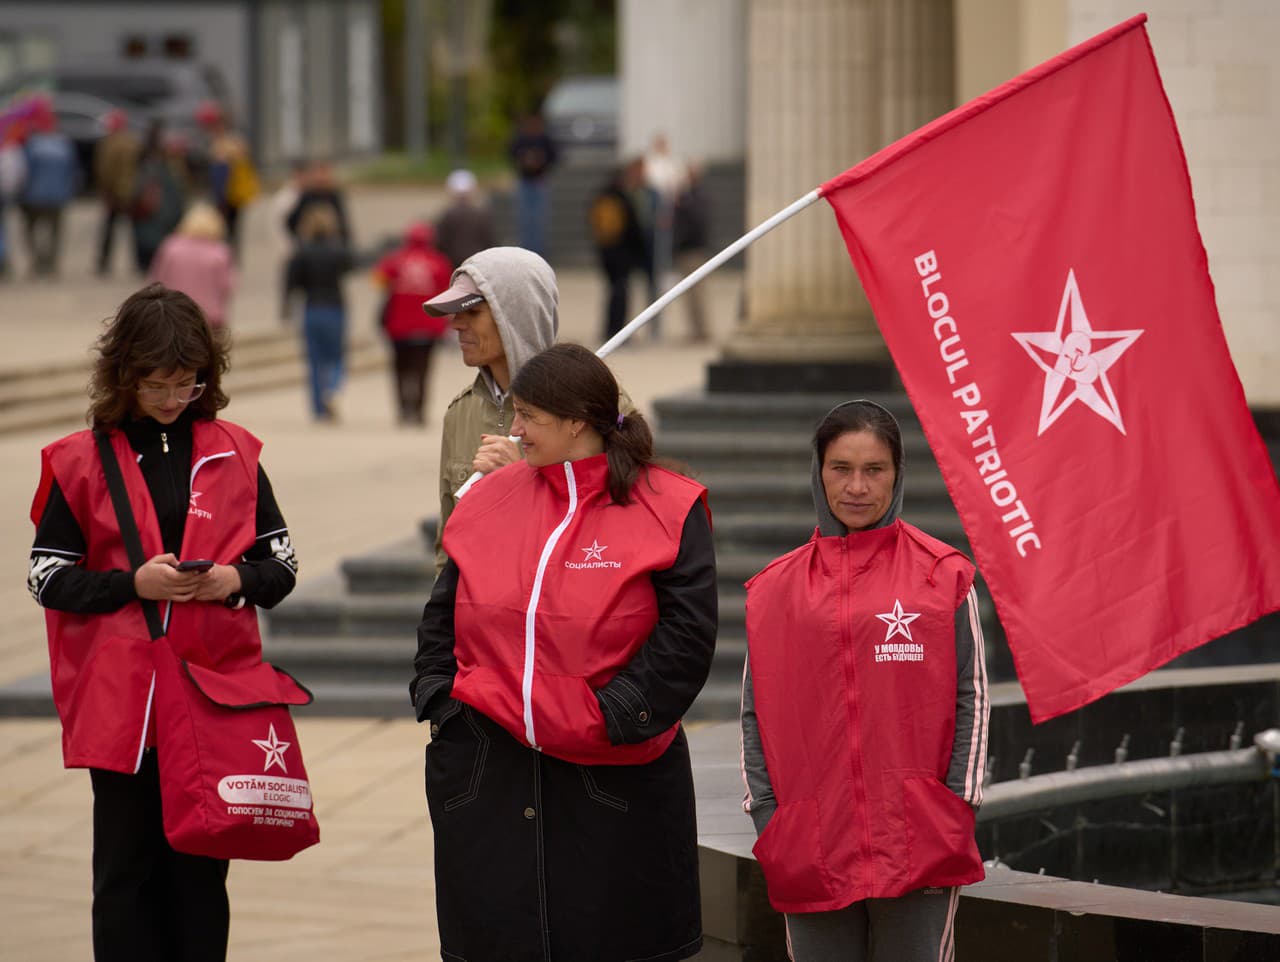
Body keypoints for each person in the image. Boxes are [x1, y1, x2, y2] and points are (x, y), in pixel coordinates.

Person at [410, 342, 717, 962]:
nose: (514, 429)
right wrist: (441, 702)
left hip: (614, 775)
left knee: (610, 939)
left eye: (528, 416)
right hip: (488, 771)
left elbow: (686, 637)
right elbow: (442, 611)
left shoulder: (669, 505)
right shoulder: (489, 499)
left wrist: (612, 715)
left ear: (577, 421)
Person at [26, 284, 299, 962]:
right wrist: (131, 583)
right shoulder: (79, 460)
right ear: (124, 376)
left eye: (188, 382)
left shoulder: (235, 450)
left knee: (203, 868)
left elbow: (283, 565)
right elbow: (44, 576)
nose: (176, 397)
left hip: (213, 692)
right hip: (124, 702)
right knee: (125, 871)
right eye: (158, 385)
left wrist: (232, 581)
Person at [740, 400, 989, 962]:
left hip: (918, 837)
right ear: (818, 471)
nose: (857, 486)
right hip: (811, 840)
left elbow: (972, 696)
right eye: (840, 468)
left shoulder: (943, 575)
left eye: (874, 470)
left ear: (898, 475)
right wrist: (769, 817)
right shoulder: (775, 590)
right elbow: (755, 713)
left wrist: (956, 804)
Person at [422, 246, 559, 573]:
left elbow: (607, 525)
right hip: (477, 613)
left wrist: (521, 479)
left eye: (473, 312)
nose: (455, 325)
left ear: (515, 315)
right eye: (456, 313)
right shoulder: (460, 412)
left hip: (553, 609)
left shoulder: (589, 403)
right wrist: (443, 616)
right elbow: (449, 539)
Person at [371, 221, 453, 424]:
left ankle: (403, 408)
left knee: (400, 368)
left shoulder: (395, 260)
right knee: (423, 370)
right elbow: (447, 292)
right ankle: (419, 409)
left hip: (399, 325)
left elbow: (377, 280)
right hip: (428, 325)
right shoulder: (439, 262)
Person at [283, 203, 354, 422]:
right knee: (336, 355)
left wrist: (285, 307)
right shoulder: (338, 250)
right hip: (335, 306)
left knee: (314, 360)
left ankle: (318, 408)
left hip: (312, 307)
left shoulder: (301, 252)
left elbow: (291, 282)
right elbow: (351, 265)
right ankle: (332, 387)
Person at [589, 159, 651, 341]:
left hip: (606, 253)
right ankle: (618, 332)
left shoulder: (601, 197)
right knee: (621, 294)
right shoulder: (622, 198)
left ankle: (609, 329)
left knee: (612, 293)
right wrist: (640, 252)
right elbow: (633, 228)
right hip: (622, 255)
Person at [148, 202, 236, 329]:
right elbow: (226, 286)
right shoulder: (220, 252)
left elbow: (157, 279)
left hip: (174, 312)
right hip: (209, 316)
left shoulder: (170, 247)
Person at [19, 102, 76, 276]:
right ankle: (51, 264)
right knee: (55, 232)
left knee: (30, 230)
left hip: (33, 195)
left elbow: (23, 171)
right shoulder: (64, 144)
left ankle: (37, 261)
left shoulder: (31, 144)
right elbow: (72, 171)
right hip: (58, 196)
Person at [196, 101, 257, 259]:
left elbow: (224, 171)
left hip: (229, 194)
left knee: (227, 229)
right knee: (225, 228)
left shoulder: (227, 143)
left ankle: (226, 258)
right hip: (226, 194)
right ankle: (224, 257)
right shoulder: (231, 141)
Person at [130, 122, 186, 273]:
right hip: (158, 208)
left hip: (155, 209)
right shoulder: (162, 165)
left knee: (148, 237)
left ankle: (148, 265)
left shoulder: (148, 161)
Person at [93, 109, 140, 275]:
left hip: (115, 192)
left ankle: (103, 263)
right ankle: (140, 262)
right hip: (131, 191)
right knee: (135, 229)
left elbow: (105, 171)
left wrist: (106, 192)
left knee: (109, 230)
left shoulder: (109, 144)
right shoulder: (133, 142)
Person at [507, 112, 558, 257]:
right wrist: (523, 161)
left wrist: (541, 162)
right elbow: (511, 154)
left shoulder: (544, 139)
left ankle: (539, 250)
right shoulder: (521, 139)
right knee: (524, 218)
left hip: (539, 181)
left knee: (539, 219)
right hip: (525, 182)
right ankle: (526, 249)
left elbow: (555, 156)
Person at [672, 160, 711, 343]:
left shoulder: (697, 197)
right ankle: (696, 329)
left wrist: (682, 206)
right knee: (690, 294)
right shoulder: (688, 196)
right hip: (686, 248)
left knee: (697, 293)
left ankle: (701, 330)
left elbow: (697, 221)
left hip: (693, 249)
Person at [434, 168, 496, 268]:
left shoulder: (447, 215)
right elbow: (490, 242)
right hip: (478, 266)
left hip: (453, 267)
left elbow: (440, 244)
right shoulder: (481, 215)